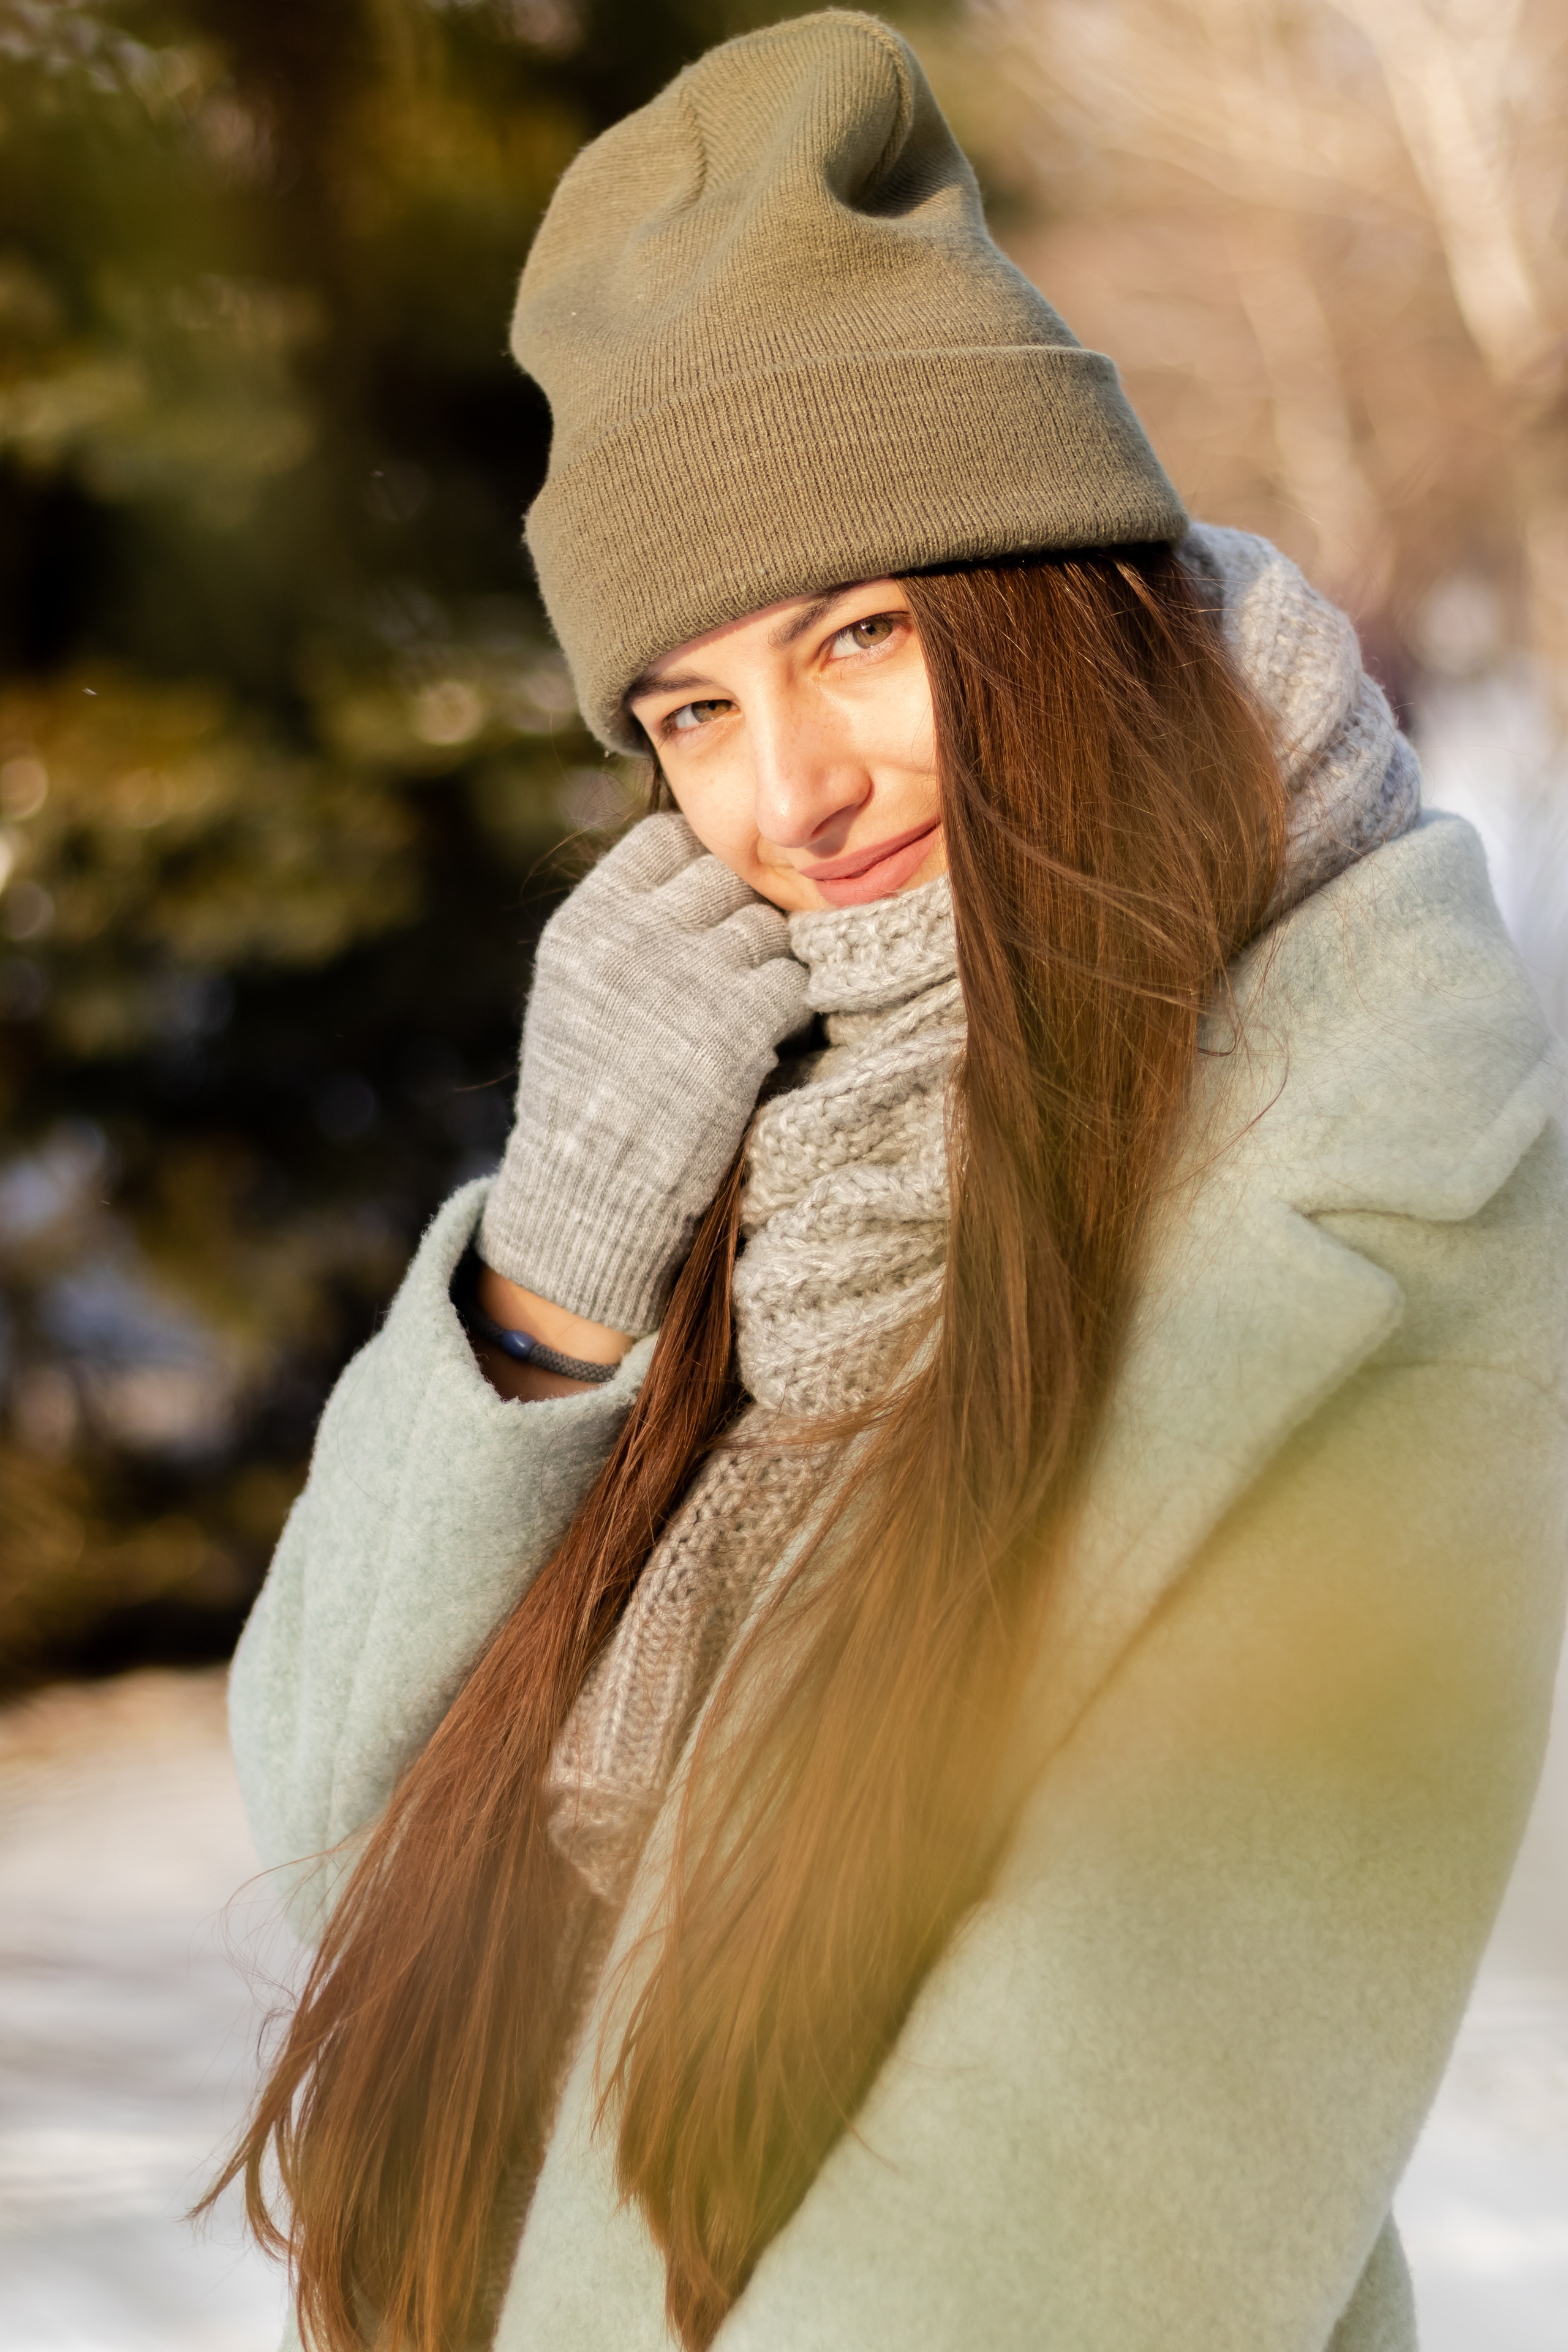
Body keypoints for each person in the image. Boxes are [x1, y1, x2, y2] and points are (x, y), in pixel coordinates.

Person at [211, 16, 1568, 2352]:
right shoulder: (745, 1095)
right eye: (692, 709)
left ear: (1057, 600)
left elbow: (1133, 2120)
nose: (793, 794)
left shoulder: (1381, 1152)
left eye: (862, 634)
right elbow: (333, 1815)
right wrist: (555, 1266)